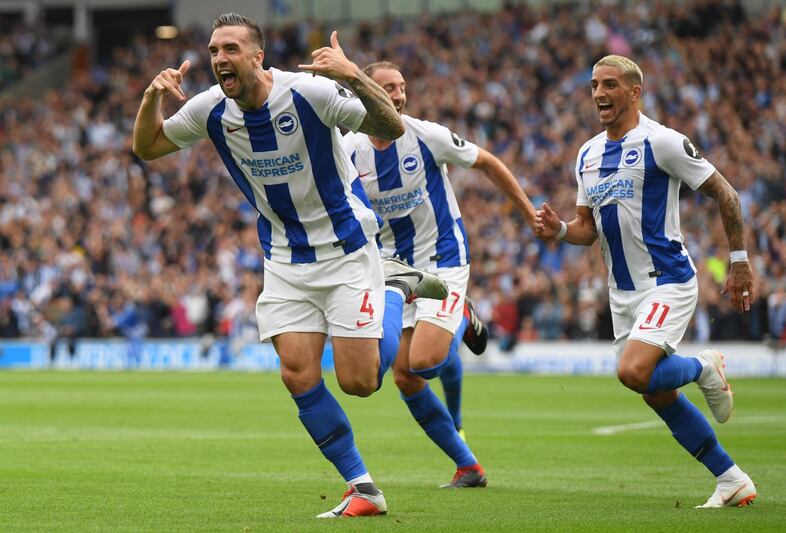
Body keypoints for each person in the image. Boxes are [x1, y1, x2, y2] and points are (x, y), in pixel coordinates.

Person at [132, 13, 450, 518]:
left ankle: (395, 288)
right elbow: (147, 148)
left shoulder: (309, 93)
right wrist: (152, 96)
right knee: (297, 374)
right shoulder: (210, 109)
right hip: (284, 260)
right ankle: (363, 488)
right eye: (214, 50)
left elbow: (389, 125)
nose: (219, 59)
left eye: (230, 49)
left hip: (347, 251)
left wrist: (351, 75)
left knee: (361, 383)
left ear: (258, 56)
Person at [534, 55, 757, 508]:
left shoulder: (663, 142)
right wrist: (558, 229)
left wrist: (738, 261)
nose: (599, 93)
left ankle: (703, 367)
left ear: (635, 92)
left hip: (667, 280)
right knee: (653, 391)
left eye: (611, 85)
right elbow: (585, 229)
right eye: (595, 85)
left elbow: (725, 192)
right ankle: (731, 479)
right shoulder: (588, 153)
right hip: (622, 294)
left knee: (633, 371)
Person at [343, 61, 538, 488]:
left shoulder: (426, 135)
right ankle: (468, 467)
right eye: (388, 88)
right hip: (395, 268)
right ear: (367, 95)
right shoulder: (349, 148)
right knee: (405, 375)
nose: (397, 96)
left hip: (443, 260)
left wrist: (527, 213)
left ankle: (462, 314)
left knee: (426, 362)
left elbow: (488, 162)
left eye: (401, 87)